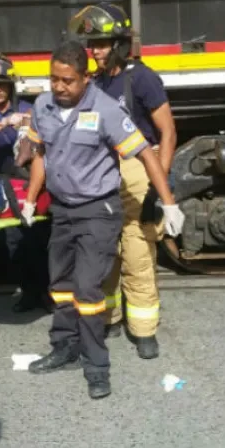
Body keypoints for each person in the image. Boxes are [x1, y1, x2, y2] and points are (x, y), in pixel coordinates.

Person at [21, 40, 185, 399]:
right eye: (54, 79)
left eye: (68, 81)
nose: (59, 87)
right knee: (60, 284)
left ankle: (97, 366)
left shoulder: (107, 109)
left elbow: (146, 153)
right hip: (62, 209)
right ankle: (65, 347)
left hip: (98, 210)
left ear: (85, 78)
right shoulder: (42, 105)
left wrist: (168, 202)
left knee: (88, 289)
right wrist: (31, 199)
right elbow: (38, 153)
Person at [68, 2, 178, 359]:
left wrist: (155, 189)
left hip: (136, 170)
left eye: (101, 44)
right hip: (103, 173)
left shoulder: (141, 78)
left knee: (137, 253)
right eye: (92, 45)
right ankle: (111, 318)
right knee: (106, 254)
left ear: (118, 44)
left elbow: (168, 133)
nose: (94, 51)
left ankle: (144, 330)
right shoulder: (96, 81)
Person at [0, 52, 53, 313]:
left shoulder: (29, 107)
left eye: (2, 84)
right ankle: (29, 292)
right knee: (15, 239)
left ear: (10, 86)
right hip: (6, 182)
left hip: (35, 180)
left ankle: (49, 292)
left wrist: (30, 124)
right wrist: (4, 122)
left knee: (43, 235)